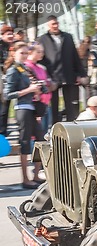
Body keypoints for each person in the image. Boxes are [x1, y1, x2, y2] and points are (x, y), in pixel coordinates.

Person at [3, 42, 45, 189]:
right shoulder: (13, 70)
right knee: (25, 143)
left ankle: (35, 175)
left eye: (27, 53)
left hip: (32, 108)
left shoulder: (25, 68)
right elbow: (8, 95)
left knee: (40, 140)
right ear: (14, 53)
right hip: (21, 109)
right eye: (22, 53)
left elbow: (39, 86)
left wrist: (38, 90)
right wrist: (29, 90)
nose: (25, 56)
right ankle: (25, 179)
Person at [38, 15, 87, 124]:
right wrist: (46, 77)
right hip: (52, 76)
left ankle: (71, 125)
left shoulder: (68, 37)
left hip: (68, 74)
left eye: (56, 23)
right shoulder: (43, 39)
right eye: (52, 24)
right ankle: (55, 126)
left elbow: (75, 56)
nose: (55, 26)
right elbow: (41, 60)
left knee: (71, 104)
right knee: (54, 105)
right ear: (48, 25)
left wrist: (80, 73)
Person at [25, 42, 53, 133]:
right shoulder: (26, 66)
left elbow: (48, 83)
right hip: (35, 104)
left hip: (45, 103)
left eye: (42, 52)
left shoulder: (41, 67)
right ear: (30, 52)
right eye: (38, 52)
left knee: (44, 133)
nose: (41, 54)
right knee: (37, 134)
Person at [0, 25, 14, 136]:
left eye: (11, 33)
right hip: (1, 79)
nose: (11, 36)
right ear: (2, 35)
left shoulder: (12, 47)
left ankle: (3, 131)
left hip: (8, 81)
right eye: (8, 34)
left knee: (5, 107)